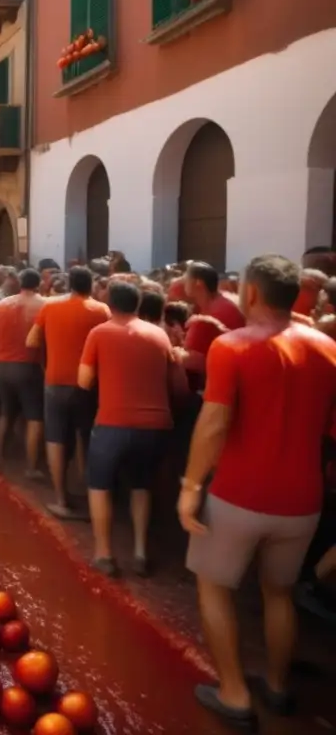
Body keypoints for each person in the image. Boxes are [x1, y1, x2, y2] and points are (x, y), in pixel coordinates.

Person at [179, 255, 336, 727]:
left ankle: (234, 694)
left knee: (213, 587)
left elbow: (214, 421)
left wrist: (190, 485)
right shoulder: (328, 349)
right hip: (303, 501)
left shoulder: (232, 346)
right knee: (279, 594)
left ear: (251, 293)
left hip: (238, 497)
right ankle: (278, 686)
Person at [78, 280, 186, 578]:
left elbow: (84, 381)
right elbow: (179, 386)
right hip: (156, 425)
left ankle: (104, 554)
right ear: (138, 304)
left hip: (113, 422)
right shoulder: (160, 335)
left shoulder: (99, 333)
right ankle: (140, 552)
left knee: (100, 485)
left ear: (110, 304)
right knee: (141, 486)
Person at [26, 266, 110, 519]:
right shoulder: (101, 310)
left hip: (55, 381)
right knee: (85, 437)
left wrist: (47, 360)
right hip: (87, 384)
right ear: (92, 285)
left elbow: (31, 341)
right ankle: (86, 493)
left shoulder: (50, 307)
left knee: (56, 439)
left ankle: (61, 499)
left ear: (70, 284)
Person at [0, 268, 45, 476]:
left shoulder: (2, 304)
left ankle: (0, 455)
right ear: (38, 284)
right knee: (35, 418)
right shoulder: (44, 305)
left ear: (20, 284)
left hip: (1, 366)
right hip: (29, 367)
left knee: (6, 412)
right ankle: (31, 466)